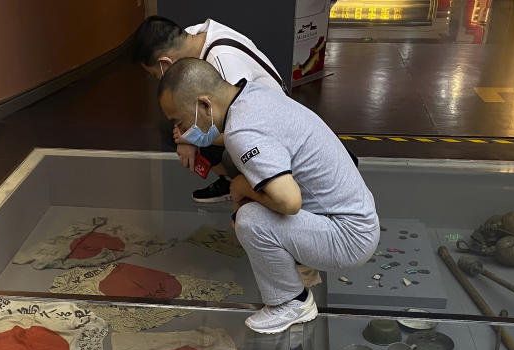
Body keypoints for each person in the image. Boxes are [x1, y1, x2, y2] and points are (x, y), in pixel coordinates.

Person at [157, 59, 380, 334]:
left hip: (350, 237)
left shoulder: (242, 132)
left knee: (249, 219)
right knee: (255, 202)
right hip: (358, 214)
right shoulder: (252, 95)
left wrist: (241, 186)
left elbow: (289, 201)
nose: (181, 131)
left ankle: (292, 302)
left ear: (204, 105)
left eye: (180, 122)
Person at [131, 15, 286, 203]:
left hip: (272, 127)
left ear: (165, 64)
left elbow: (243, 127)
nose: (159, 80)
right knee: (174, 127)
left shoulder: (223, 60)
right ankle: (229, 180)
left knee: (193, 133)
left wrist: (192, 140)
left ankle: (248, 187)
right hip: (247, 115)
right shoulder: (192, 36)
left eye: (156, 75)